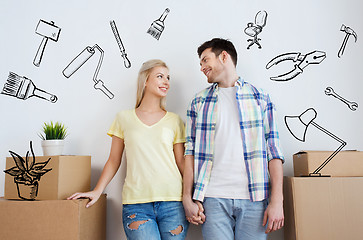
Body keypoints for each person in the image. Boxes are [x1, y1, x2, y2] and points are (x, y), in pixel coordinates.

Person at [68, 59, 189, 240]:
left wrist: (193, 196)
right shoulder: (124, 118)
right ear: (145, 80)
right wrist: (97, 190)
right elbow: (114, 160)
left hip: (173, 203)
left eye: (168, 78)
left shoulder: (174, 120)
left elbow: (181, 161)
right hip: (136, 205)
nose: (166, 82)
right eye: (160, 76)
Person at [182, 38, 285, 240]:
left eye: (205, 60)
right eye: (200, 63)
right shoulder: (198, 101)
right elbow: (190, 152)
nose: (202, 67)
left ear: (223, 56)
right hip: (211, 199)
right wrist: (187, 197)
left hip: (255, 199)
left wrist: (277, 201)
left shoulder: (260, 98)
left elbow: (274, 152)